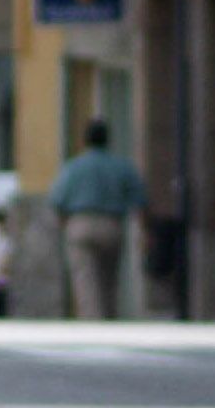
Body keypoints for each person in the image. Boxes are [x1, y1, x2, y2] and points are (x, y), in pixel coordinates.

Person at [49, 119, 146, 319]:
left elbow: (57, 200)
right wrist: (143, 229)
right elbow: (139, 199)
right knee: (109, 276)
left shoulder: (74, 167)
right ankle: (110, 316)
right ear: (108, 140)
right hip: (112, 224)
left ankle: (93, 319)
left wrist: (64, 226)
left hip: (80, 223)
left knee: (85, 279)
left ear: (85, 141)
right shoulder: (122, 166)